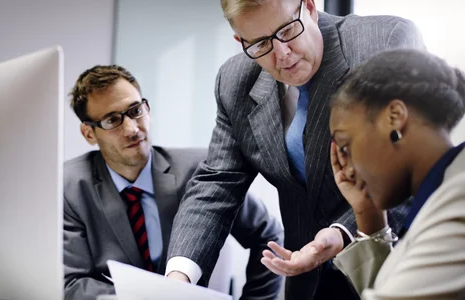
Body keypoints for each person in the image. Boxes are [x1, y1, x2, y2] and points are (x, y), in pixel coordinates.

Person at [165, 0, 426, 299]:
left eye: (288, 30)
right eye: (260, 44)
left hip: (397, 267)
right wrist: (179, 276)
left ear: (310, 8)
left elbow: (407, 164)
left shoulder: (385, 41)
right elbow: (217, 183)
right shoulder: (233, 81)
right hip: (305, 280)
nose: (282, 54)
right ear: (241, 41)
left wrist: (341, 233)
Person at [63, 64, 284, 300]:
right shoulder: (70, 188)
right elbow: (73, 284)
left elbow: (268, 236)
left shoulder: (201, 170)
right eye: (111, 120)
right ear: (89, 133)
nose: (131, 129)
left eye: (135, 110)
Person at [328, 48, 465, 299]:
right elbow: (394, 287)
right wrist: (369, 215)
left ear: (395, 117)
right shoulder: (451, 188)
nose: (346, 169)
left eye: (346, 146)